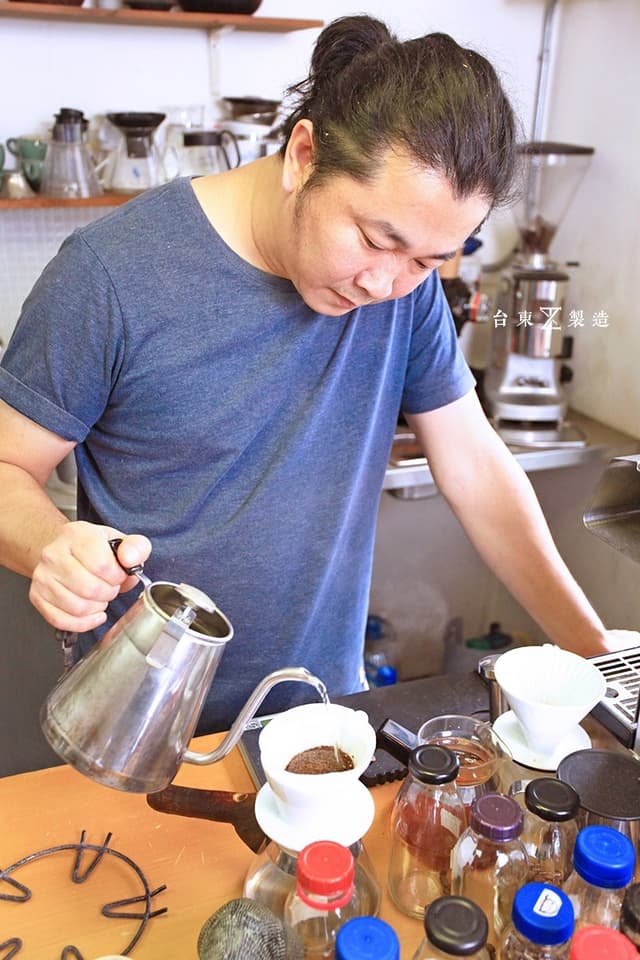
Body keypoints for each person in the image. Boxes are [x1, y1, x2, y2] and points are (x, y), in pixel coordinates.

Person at [0, 16, 635, 733]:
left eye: (428, 260)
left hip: (324, 719)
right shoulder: (111, 274)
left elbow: (477, 469)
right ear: (303, 156)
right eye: (374, 239)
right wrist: (52, 546)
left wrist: (597, 655)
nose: (385, 284)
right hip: (140, 722)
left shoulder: (407, 292)